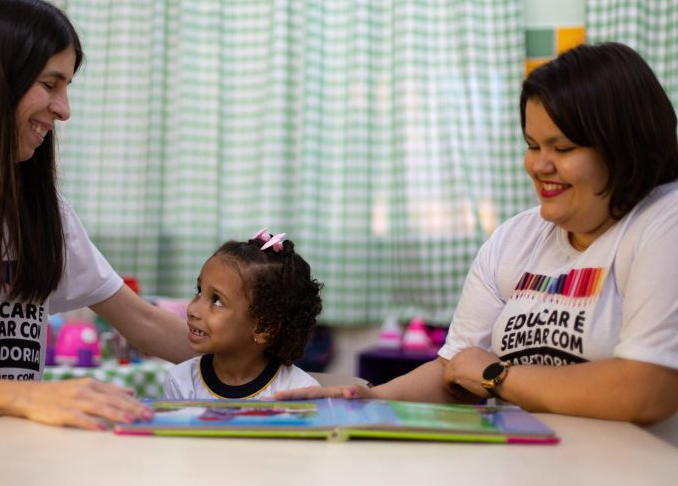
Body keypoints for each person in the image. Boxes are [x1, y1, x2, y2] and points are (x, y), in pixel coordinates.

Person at [277, 42, 678, 434]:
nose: (539, 165)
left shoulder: (663, 222)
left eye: (563, 147)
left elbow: (648, 388)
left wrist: (495, 375)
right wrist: (367, 401)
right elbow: (453, 373)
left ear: (625, 148)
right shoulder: (515, 238)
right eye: (533, 145)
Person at [0, 0, 194, 476]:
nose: (63, 109)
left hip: (6, 461)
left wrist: (280, 374)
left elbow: (147, 324)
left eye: (66, 87)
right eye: (50, 84)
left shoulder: (43, 211)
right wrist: (35, 396)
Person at [162, 229, 323, 399]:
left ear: (263, 328)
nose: (192, 310)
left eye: (217, 300)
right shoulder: (181, 382)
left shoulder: (298, 390)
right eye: (199, 291)